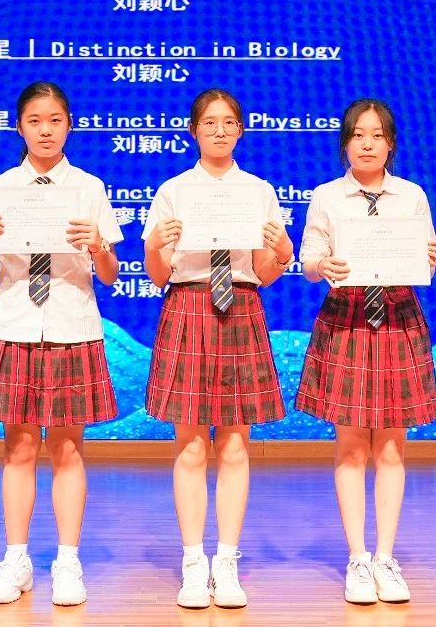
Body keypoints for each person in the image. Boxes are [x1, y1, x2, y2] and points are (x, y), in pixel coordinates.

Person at [0, 81, 123, 607]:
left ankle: (67, 560)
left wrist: (97, 245)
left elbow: (110, 274)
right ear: (20, 127)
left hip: (70, 325)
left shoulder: (88, 188)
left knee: (67, 447)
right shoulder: (0, 188)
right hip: (14, 324)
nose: (45, 130)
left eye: (55, 120)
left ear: (69, 125)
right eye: (35, 121)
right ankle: (16, 559)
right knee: (18, 448)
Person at [141, 88, 293, 610]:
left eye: (229, 122)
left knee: (234, 445)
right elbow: (157, 274)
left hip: (242, 307)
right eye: (210, 122)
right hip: (188, 305)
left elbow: (265, 273)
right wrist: (155, 245)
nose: (220, 130)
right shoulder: (174, 192)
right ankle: (192, 561)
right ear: (194, 131)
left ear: (240, 131)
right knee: (189, 446)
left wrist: (283, 253)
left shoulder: (258, 192)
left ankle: (226, 561)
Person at [294, 98, 436, 605]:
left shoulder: (411, 196)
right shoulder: (328, 196)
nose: (367, 143)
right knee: (352, 445)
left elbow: (426, 258)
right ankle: (357, 558)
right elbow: (308, 260)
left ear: (390, 144)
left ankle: (386, 557)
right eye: (358, 134)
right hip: (348, 318)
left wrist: (429, 257)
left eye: (377, 135)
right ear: (345, 143)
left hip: (397, 318)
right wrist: (324, 266)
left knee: (392, 447)